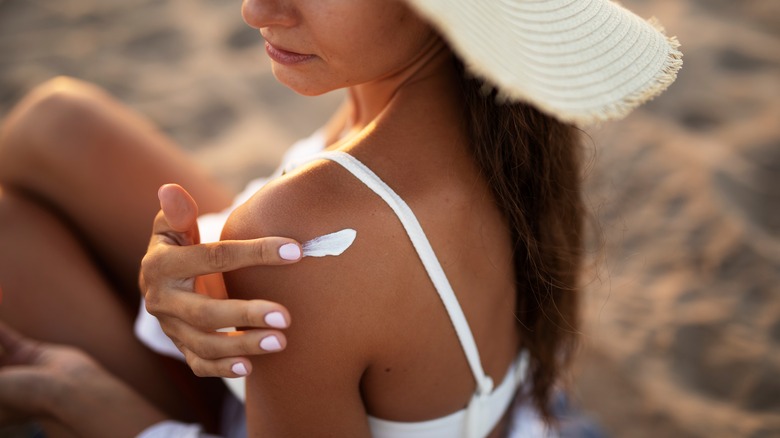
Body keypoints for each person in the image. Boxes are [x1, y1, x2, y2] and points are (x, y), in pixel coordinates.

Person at [0, 0, 681, 437]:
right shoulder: (486, 113)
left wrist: (101, 410)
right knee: (57, 122)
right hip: (460, 400)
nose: (255, 9)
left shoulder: (309, 235)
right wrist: (192, 279)